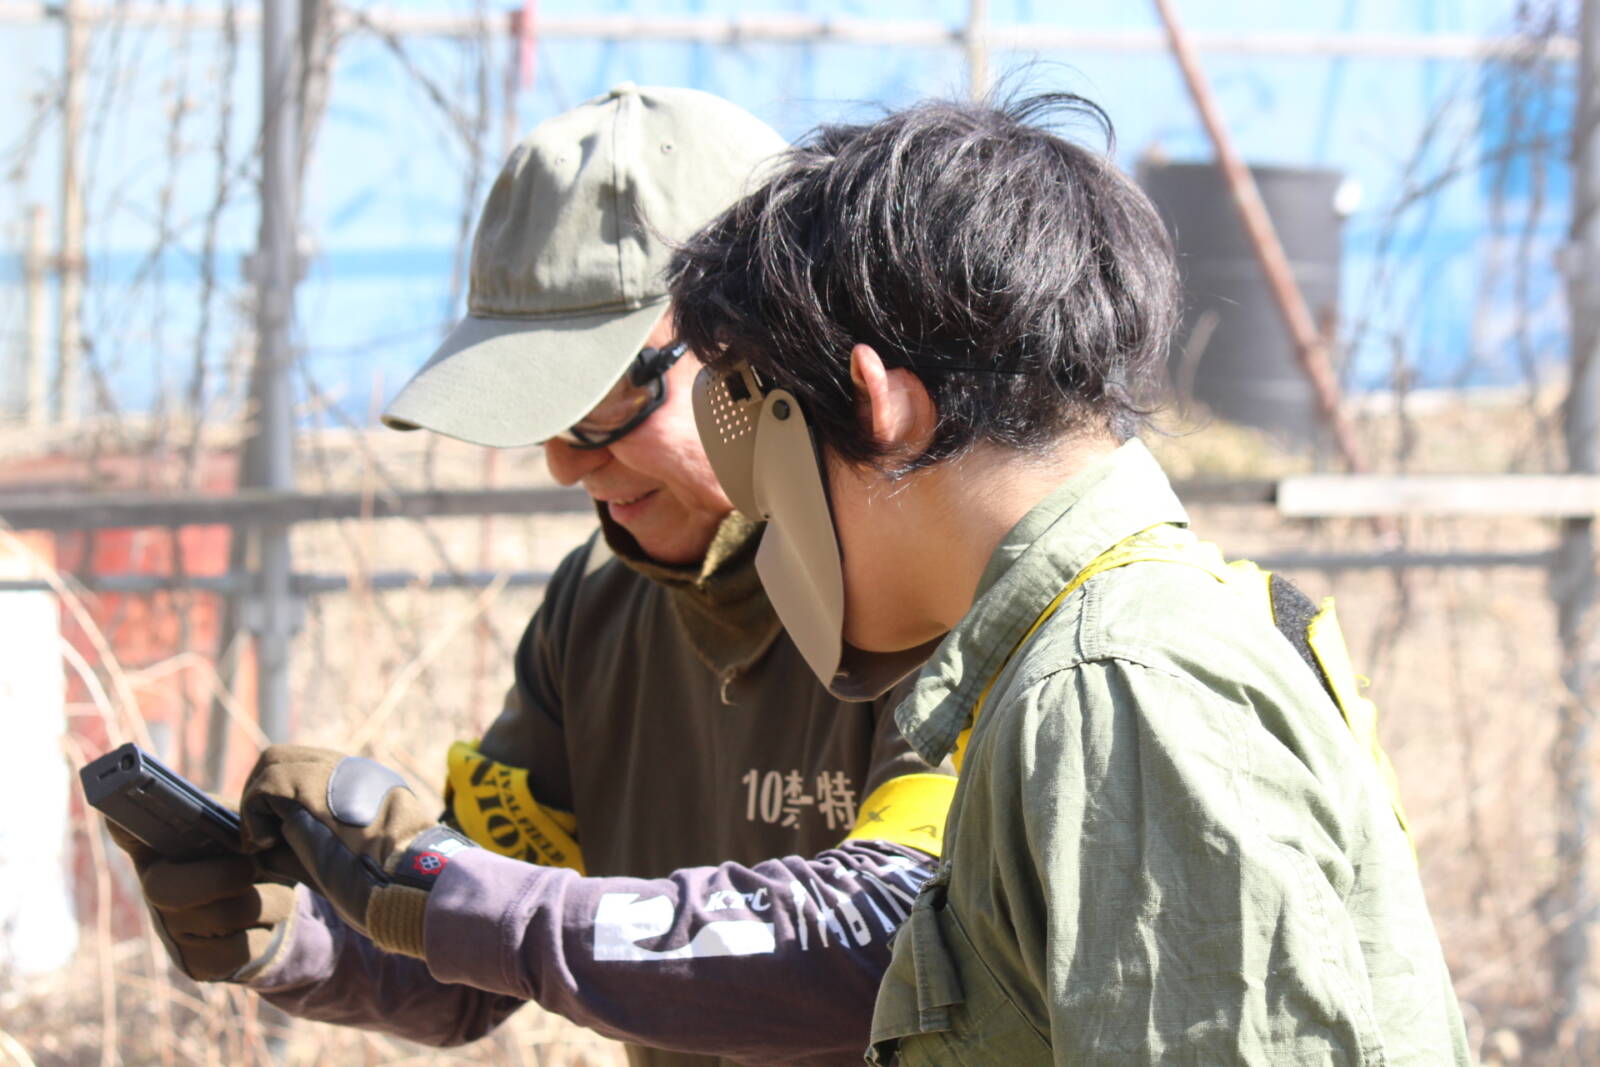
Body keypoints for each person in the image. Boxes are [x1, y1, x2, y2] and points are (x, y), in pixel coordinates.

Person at [110, 85, 954, 1067]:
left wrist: (471, 894)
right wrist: (291, 929)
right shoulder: (594, 613)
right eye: (544, 415)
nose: (564, 462)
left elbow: (879, 940)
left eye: (603, 400)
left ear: (769, 341)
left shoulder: (931, 590)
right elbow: (467, 970)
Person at [666, 92, 1471, 1064]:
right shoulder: (1105, 649)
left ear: (881, 406)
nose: (761, 516)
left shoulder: (1115, 688)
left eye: (767, 446)